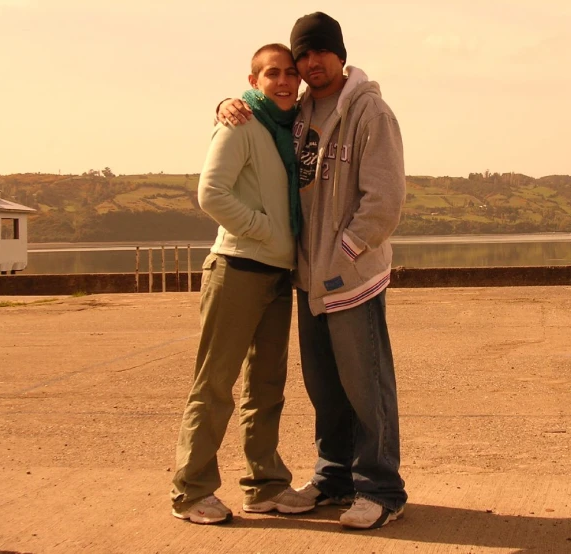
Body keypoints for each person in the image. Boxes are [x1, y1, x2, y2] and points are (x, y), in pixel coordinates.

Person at [217, 12, 407, 530]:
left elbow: (385, 200)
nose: (311, 62)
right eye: (303, 54)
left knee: (367, 386)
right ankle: (334, 478)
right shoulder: (298, 112)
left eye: (321, 51)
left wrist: (346, 252)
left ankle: (382, 490)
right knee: (325, 387)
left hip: (352, 278)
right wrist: (225, 103)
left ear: (341, 55)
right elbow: (254, 109)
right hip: (308, 279)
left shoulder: (371, 113)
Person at [170, 43, 315, 525]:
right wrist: (265, 229)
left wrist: (278, 243)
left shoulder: (286, 128)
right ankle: (191, 492)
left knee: (267, 387)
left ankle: (265, 484)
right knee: (214, 386)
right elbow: (210, 193)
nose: (283, 81)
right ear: (253, 82)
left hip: (275, 274)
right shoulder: (239, 123)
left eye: (290, 73)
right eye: (272, 73)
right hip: (236, 268)